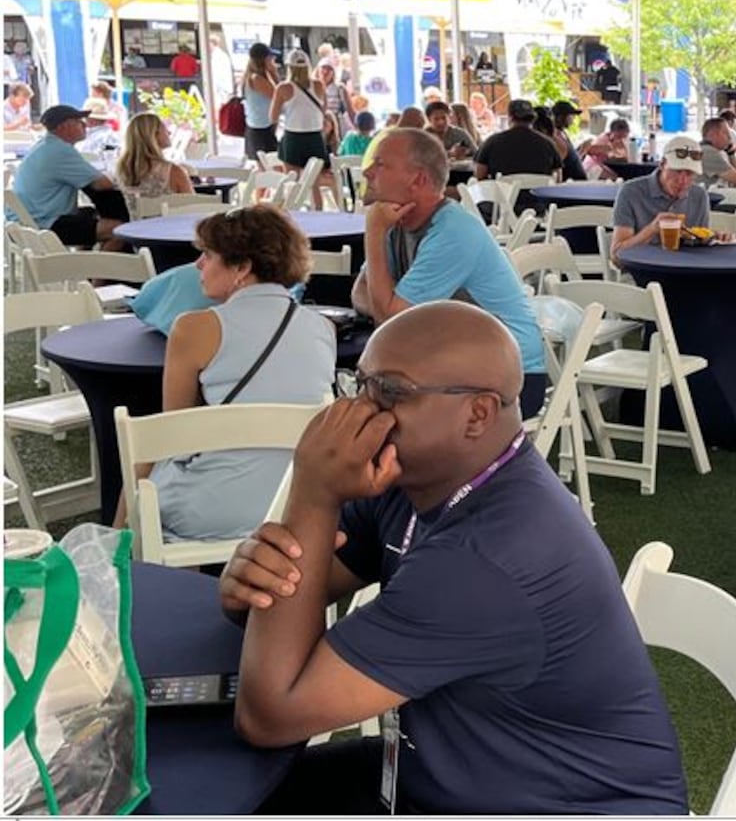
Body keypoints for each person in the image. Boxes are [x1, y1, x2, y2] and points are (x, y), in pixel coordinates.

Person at [219, 301, 688, 814]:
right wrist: (255, 577)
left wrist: (313, 492)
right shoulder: (417, 482)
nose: (359, 411)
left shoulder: (489, 558)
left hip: (563, 803)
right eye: (361, 383)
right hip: (457, 767)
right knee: (230, 797)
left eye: (390, 391)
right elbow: (292, 593)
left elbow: (269, 716)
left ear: (478, 413)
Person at [144, 205, 336, 540]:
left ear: (242, 268)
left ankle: (119, 554)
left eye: (207, 254)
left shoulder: (194, 328)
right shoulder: (323, 327)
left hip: (211, 510)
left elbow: (170, 434)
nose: (198, 265)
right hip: (300, 501)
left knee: (144, 456)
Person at [354, 129, 548, 414]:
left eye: (380, 164)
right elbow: (360, 293)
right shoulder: (395, 223)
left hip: (506, 379)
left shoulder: (452, 230)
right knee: (365, 410)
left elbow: (389, 318)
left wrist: (373, 233)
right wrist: (388, 301)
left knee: (379, 418)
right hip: (450, 367)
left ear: (418, 179)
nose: (368, 172)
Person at [6, 105, 129, 248]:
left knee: (90, 214)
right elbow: (102, 184)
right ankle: (94, 270)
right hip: (42, 225)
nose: (85, 124)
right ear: (64, 126)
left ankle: (79, 265)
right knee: (119, 229)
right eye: (79, 121)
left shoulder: (45, 145)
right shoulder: (59, 150)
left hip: (26, 221)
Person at [611, 135, 712, 257]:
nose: (682, 180)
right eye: (677, 171)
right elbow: (616, 256)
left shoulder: (699, 195)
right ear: (662, 164)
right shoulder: (631, 192)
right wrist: (651, 230)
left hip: (685, 271)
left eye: (690, 174)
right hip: (643, 271)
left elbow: (700, 247)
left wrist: (716, 238)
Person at [270, 49, 331, 177]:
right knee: (315, 182)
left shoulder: (283, 88)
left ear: (289, 67)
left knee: (292, 180)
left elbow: (272, 117)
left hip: (293, 136)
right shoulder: (319, 85)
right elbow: (324, 109)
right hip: (315, 137)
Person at [114, 112, 194, 206]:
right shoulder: (172, 172)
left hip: (137, 221)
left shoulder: (123, 169)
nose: (169, 132)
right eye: (164, 129)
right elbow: (193, 206)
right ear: (154, 135)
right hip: (169, 220)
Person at [474, 98, 562, 182]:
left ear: (510, 117)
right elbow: (558, 177)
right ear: (532, 119)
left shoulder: (492, 142)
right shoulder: (547, 143)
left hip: (503, 196)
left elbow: (480, 175)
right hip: (538, 196)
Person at [242, 42, 280, 158]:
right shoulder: (256, 79)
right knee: (268, 166)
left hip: (259, 126)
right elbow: (278, 95)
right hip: (260, 129)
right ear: (263, 59)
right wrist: (274, 72)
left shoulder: (253, 77)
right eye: (270, 58)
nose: (273, 61)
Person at [549, 100, 588, 182]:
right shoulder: (555, 138)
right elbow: (558, 167)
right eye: (571, 115)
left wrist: (582, 151)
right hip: (570, 186)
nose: (573, 119)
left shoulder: (562, 134)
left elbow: (570, 161)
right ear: (560, 117)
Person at [317, 56, 353, 136]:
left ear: (333, 72)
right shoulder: (313, 88)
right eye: (323, 68)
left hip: (335, 129)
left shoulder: (339, 88)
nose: (325, 72)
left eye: (329, 69)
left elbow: (350, 111)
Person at [208, 31, 235, 106]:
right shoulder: (219, 55)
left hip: (221, 88)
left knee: (219, 107)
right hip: (221, 87)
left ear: (212, 43)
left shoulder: (218, 56)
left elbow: (217, 74)